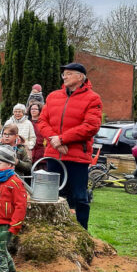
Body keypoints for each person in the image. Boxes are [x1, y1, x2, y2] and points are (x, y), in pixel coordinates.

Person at [36, 62, 102, 230]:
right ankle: (53, 232)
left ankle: (82, 232)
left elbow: (91, 126)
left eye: (69, 73)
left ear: (80, 77)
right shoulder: (53, 96)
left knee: (79, 197)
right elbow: (42, 121)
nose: (64, 76)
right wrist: (55, 141)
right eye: (63, 74)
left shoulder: (93, 98)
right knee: (52, 195)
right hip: (54, 155)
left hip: (77, 157)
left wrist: (63, 139)